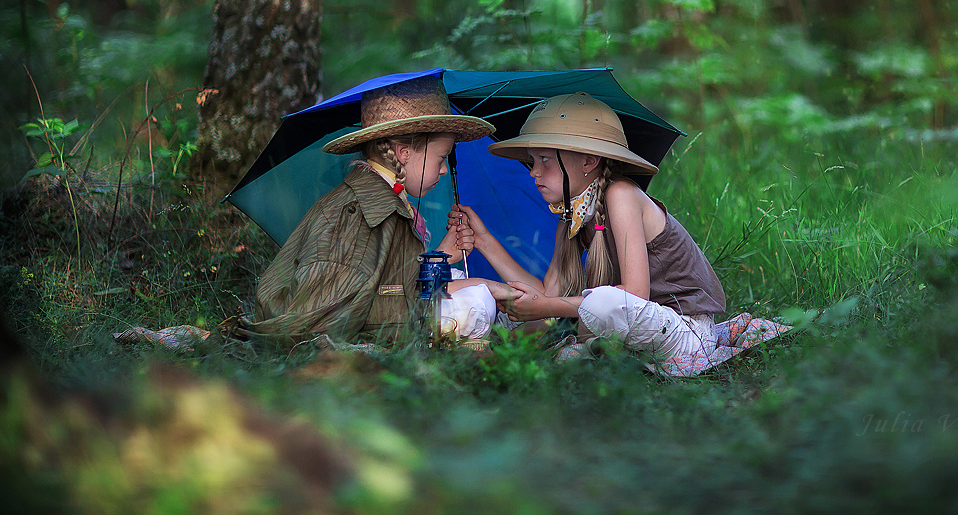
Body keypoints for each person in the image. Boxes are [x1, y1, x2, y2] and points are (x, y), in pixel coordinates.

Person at [452, 92, 726, 362]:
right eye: (532, 161)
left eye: (544, 159)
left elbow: (634, 296)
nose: (534, 172)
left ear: (588, 161)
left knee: (604, 302)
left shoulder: (621, 194)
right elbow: (546, 295)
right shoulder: (570, 217)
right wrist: (484, 241)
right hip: (636, 332)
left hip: (685, 331)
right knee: (541, 327)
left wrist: (546, 306)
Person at [243, 75, 508, 346]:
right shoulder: (360, 212)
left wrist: (439, 258)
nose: (443, 169)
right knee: (476, 300)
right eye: (441, 158)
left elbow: (388, 281)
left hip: (387, 329)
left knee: (469, 289)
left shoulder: (386, 200)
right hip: (363, 341)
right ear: (403, 154)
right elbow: (330, 310)